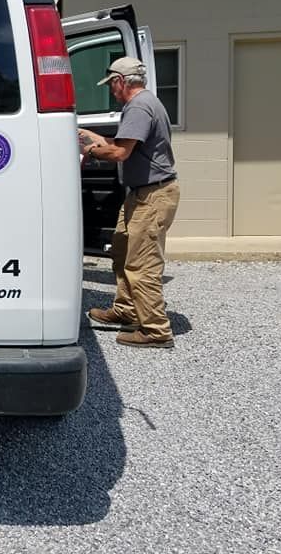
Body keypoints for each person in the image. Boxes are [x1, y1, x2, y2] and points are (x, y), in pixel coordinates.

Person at [78, 56, 180, 349]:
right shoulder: (146, 103)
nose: (111, 89)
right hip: (142, 193)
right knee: (122, 250)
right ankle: (126, 310)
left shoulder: (138, 107)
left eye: (111, 83)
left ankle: (156, 331)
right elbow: (123, 145)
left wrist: (90, 152)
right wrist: (87, 136)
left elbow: (119, 154)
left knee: (142, 263)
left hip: (153, 196)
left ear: (121, 81)